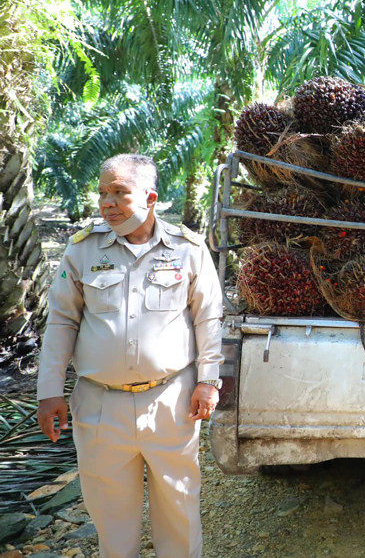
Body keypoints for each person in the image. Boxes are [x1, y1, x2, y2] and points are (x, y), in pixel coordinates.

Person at [36, 154, 224, 558]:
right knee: (112, 520)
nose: (107, 202)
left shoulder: (188, 250)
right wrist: (48, 390)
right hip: (101, 405)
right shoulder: (82, 251)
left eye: (119, 192)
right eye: (103, 193)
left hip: (172, 402)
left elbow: (208, 318)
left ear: (150, 197)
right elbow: (61, 322)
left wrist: (208, 380)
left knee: (179, 508)